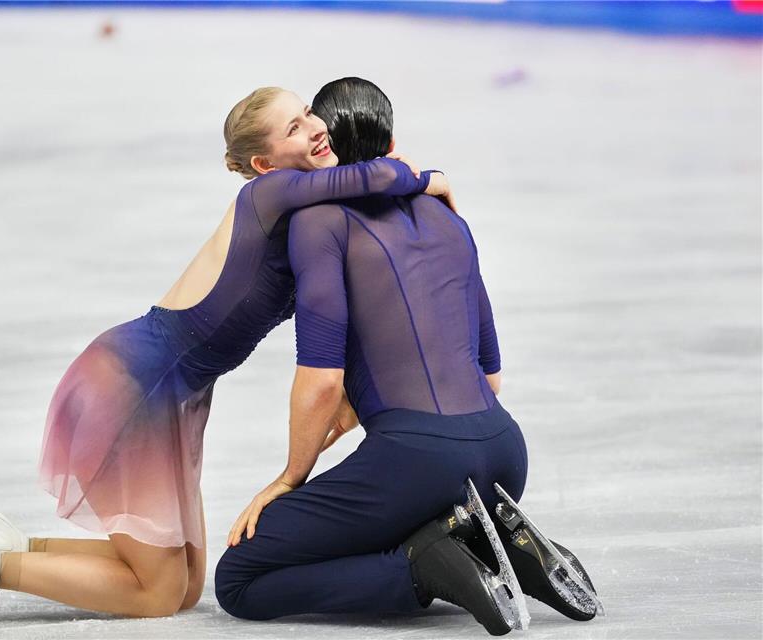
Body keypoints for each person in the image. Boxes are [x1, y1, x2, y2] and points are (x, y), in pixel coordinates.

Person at [0, 86, 453, 626]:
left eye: (308, 115)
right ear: (265, 162)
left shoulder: (305, 217)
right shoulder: (269, 194)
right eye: (294, 128)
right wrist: (429, 180)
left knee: (183, 586)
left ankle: (2, 542)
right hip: (136, 385)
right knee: (154, 594)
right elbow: (378, 174)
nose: (314, 130)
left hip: (173, 394)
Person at [215, 78, 597, 635]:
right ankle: (490, 546)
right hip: (504, 455)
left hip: (418, 463)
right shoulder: (446, 213)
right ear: (390, 139)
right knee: (397, 508)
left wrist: (290, 478)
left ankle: (424, 569)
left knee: (240, 579)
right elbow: (489, 377)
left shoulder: (318, 222)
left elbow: (322, 379)